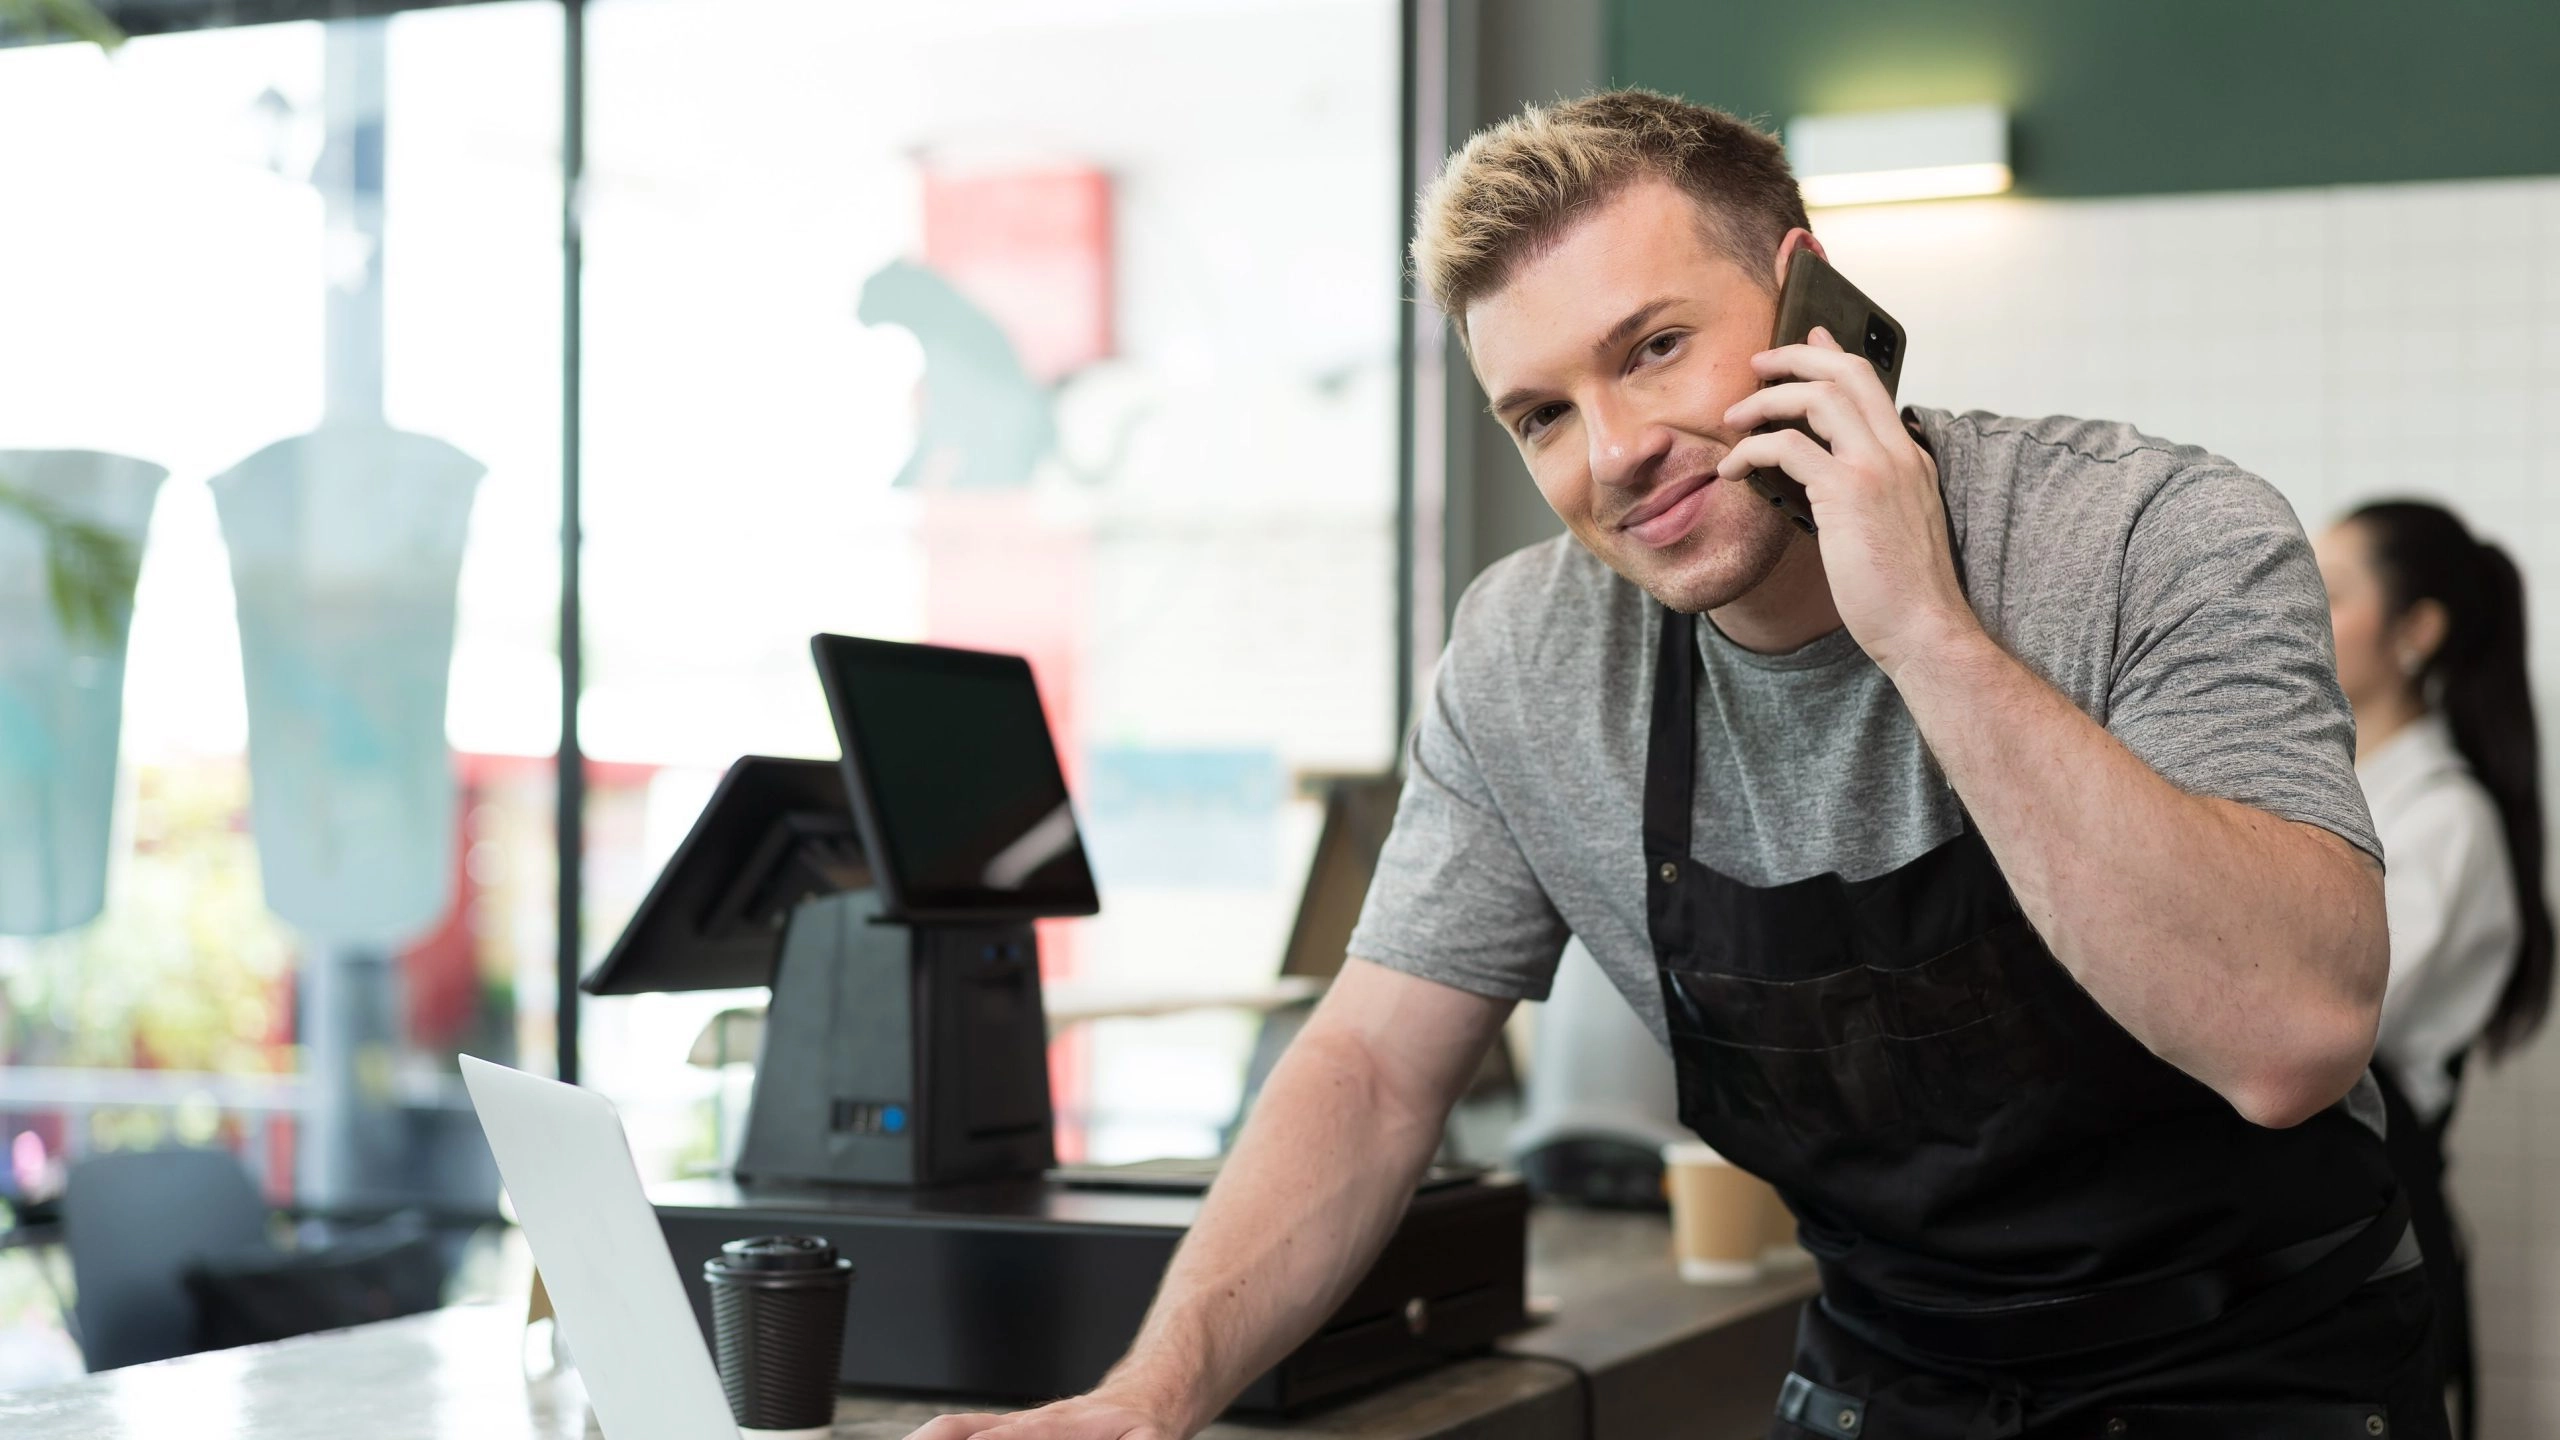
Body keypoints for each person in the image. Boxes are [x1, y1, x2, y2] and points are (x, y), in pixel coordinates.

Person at [907, 89, 2438, 1440]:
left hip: (2257, 1374)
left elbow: (2290, 1035)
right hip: (1889, 1376)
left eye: (1654, 348)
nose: (1616, 448)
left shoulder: (2143, 539)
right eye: (1542, 414)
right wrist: (1143, 1399)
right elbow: (1372, 1072)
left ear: (1809, 295)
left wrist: (1925, 631)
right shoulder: (1530, 659)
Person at [2316, 500, 2553, 1440]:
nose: (2295, 611)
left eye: (2329, 594)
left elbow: (2325, 1010)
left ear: (2418, 630)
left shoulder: (2445, 822)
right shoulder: (2332, 787)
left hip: (2376, 1250)